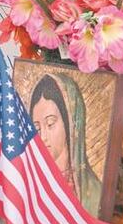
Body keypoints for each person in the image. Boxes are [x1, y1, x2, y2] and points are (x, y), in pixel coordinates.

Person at [29, 73, 103, 215]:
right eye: (37, 128)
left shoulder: (93, 195)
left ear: (70, 123)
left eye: (50, 124)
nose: (42, 137)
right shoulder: (26, 185)